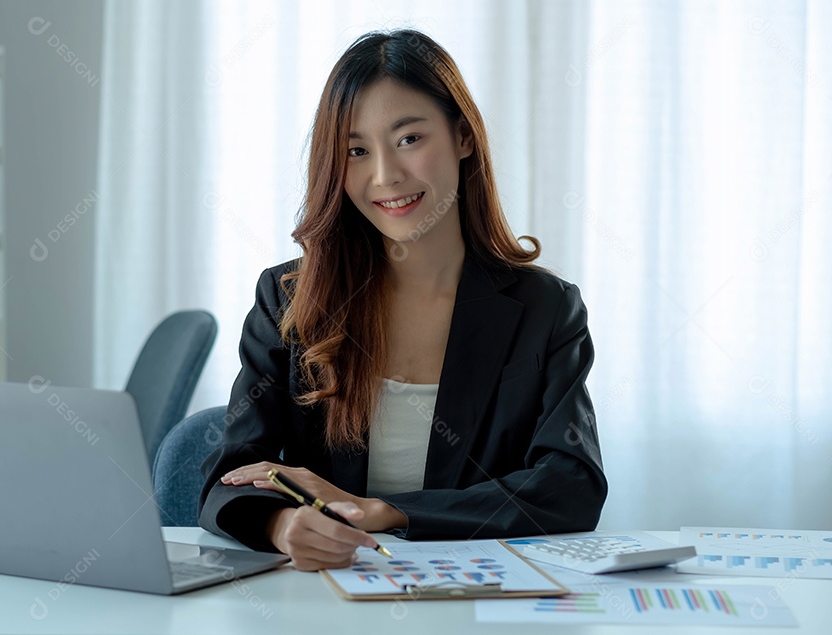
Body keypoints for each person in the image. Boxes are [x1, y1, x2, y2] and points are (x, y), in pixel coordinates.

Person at [198, 29, 606, 572]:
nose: (386, 175)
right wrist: (282, 526)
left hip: (480, 593)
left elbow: (570, 485)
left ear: (463, 137)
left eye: (409, 139)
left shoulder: (545, 308)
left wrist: (387, 512)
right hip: (325, 592)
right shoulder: (290, 299)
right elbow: (231, 475)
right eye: (357, 151)